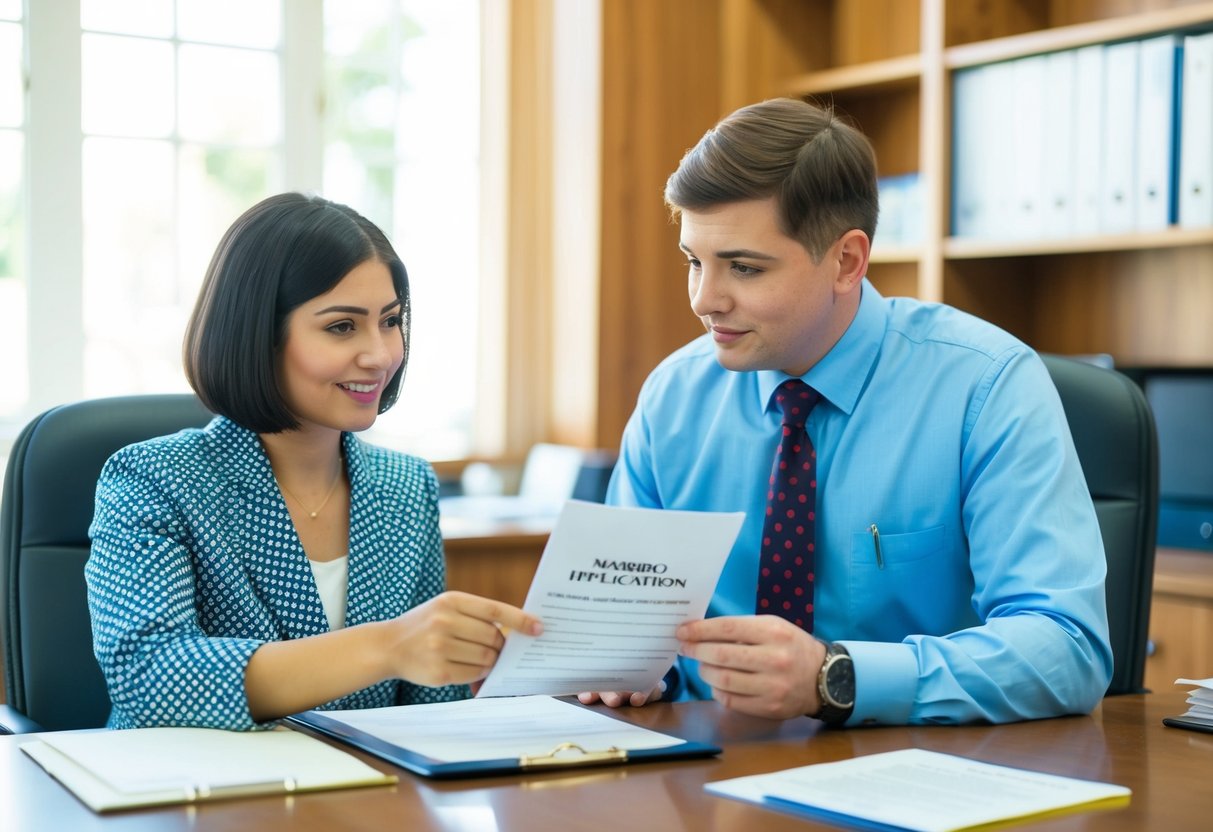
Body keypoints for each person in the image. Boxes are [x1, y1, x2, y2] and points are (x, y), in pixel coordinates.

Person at [582, 98, 1112, 725]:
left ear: (847, 261)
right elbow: (617, 628)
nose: (704, 300)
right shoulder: (672, 398)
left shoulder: (986, 387)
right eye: (694, 262)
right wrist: (627, 669)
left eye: (744, 268)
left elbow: (1067, 649)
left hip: (917, 780)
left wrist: (837, 678)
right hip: (705, 780)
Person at [86, 192, 541, 730]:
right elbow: (149, 677)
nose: (380, 355)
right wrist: (389, 645)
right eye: (342, 327)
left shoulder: (405, 484)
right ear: (259, 334)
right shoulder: (153, 479)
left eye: (390, 321)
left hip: (367, 803)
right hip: (199, 801)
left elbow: (428, 710)